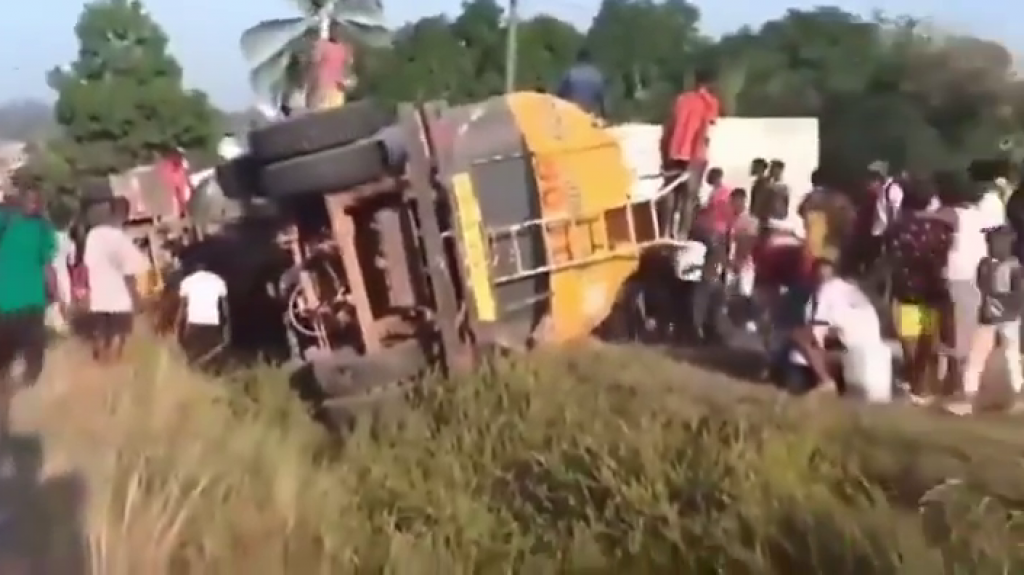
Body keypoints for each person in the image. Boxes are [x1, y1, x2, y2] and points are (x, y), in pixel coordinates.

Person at [0, 189, 58, 469]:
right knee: (31, 366)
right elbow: (48, 267)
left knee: (18, 368)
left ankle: (7, 399)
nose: (34, 204)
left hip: (15, 308)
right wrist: (55, 293)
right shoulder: (34, 227)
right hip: (26, 307)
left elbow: (48, 266)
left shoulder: (36, 228)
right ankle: (10, 401)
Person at [885, 177, 953, 404]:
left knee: (909, 336)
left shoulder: (897, 226)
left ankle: (914, 381)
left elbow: (890, 255)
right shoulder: (941, 227)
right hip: (932, 286)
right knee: (928, 334)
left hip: (905, 287)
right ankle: (922, 383)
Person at [785, 257, 889, 401]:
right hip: (870, 343)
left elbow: (817, 327)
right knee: (820, 339)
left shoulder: (826, 289)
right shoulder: (851, 289)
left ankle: (826, 381)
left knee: (800, 337)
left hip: (850, 344)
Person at [947, 226, 1024, 415]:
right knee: (977, 356)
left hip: (1008, 318)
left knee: (1012, 356)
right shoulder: (985, 264)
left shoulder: (1015, 268)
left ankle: (1018, 397)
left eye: (995, 241)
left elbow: (1018, 295)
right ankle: (968, 397)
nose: (990, 245)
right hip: (988, 317)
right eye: (989, 241)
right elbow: (984, 287)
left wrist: (1000, 308)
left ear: (1008, 243)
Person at [82, 198, 150, 363]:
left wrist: (86, 293)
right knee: (118, 336)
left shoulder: (93, 235)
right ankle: (113, 368)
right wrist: (136, 298)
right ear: (125, 214)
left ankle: (99, 368)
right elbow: (130, 272)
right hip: (120, 299)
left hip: (98, 298)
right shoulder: (120, 238)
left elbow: (86, 265)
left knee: (100, 335)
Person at [176, 261, 229, 370]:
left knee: (193, 354)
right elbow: (225, 307)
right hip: (212, 322)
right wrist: (226, 326)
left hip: (193, 322)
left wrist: (178, 324)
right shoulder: (218, 280)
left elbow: (183, 307)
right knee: (211, 353)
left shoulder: (187, 281)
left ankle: (193, 373)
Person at [555, 48, 607, 119]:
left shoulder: (571, 73)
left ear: (578, 59)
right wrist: (604, 115)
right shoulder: (597, 75)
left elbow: (560, 94)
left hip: (571, 112)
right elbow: (601, 99)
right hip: (588, 114)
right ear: (589, 60)